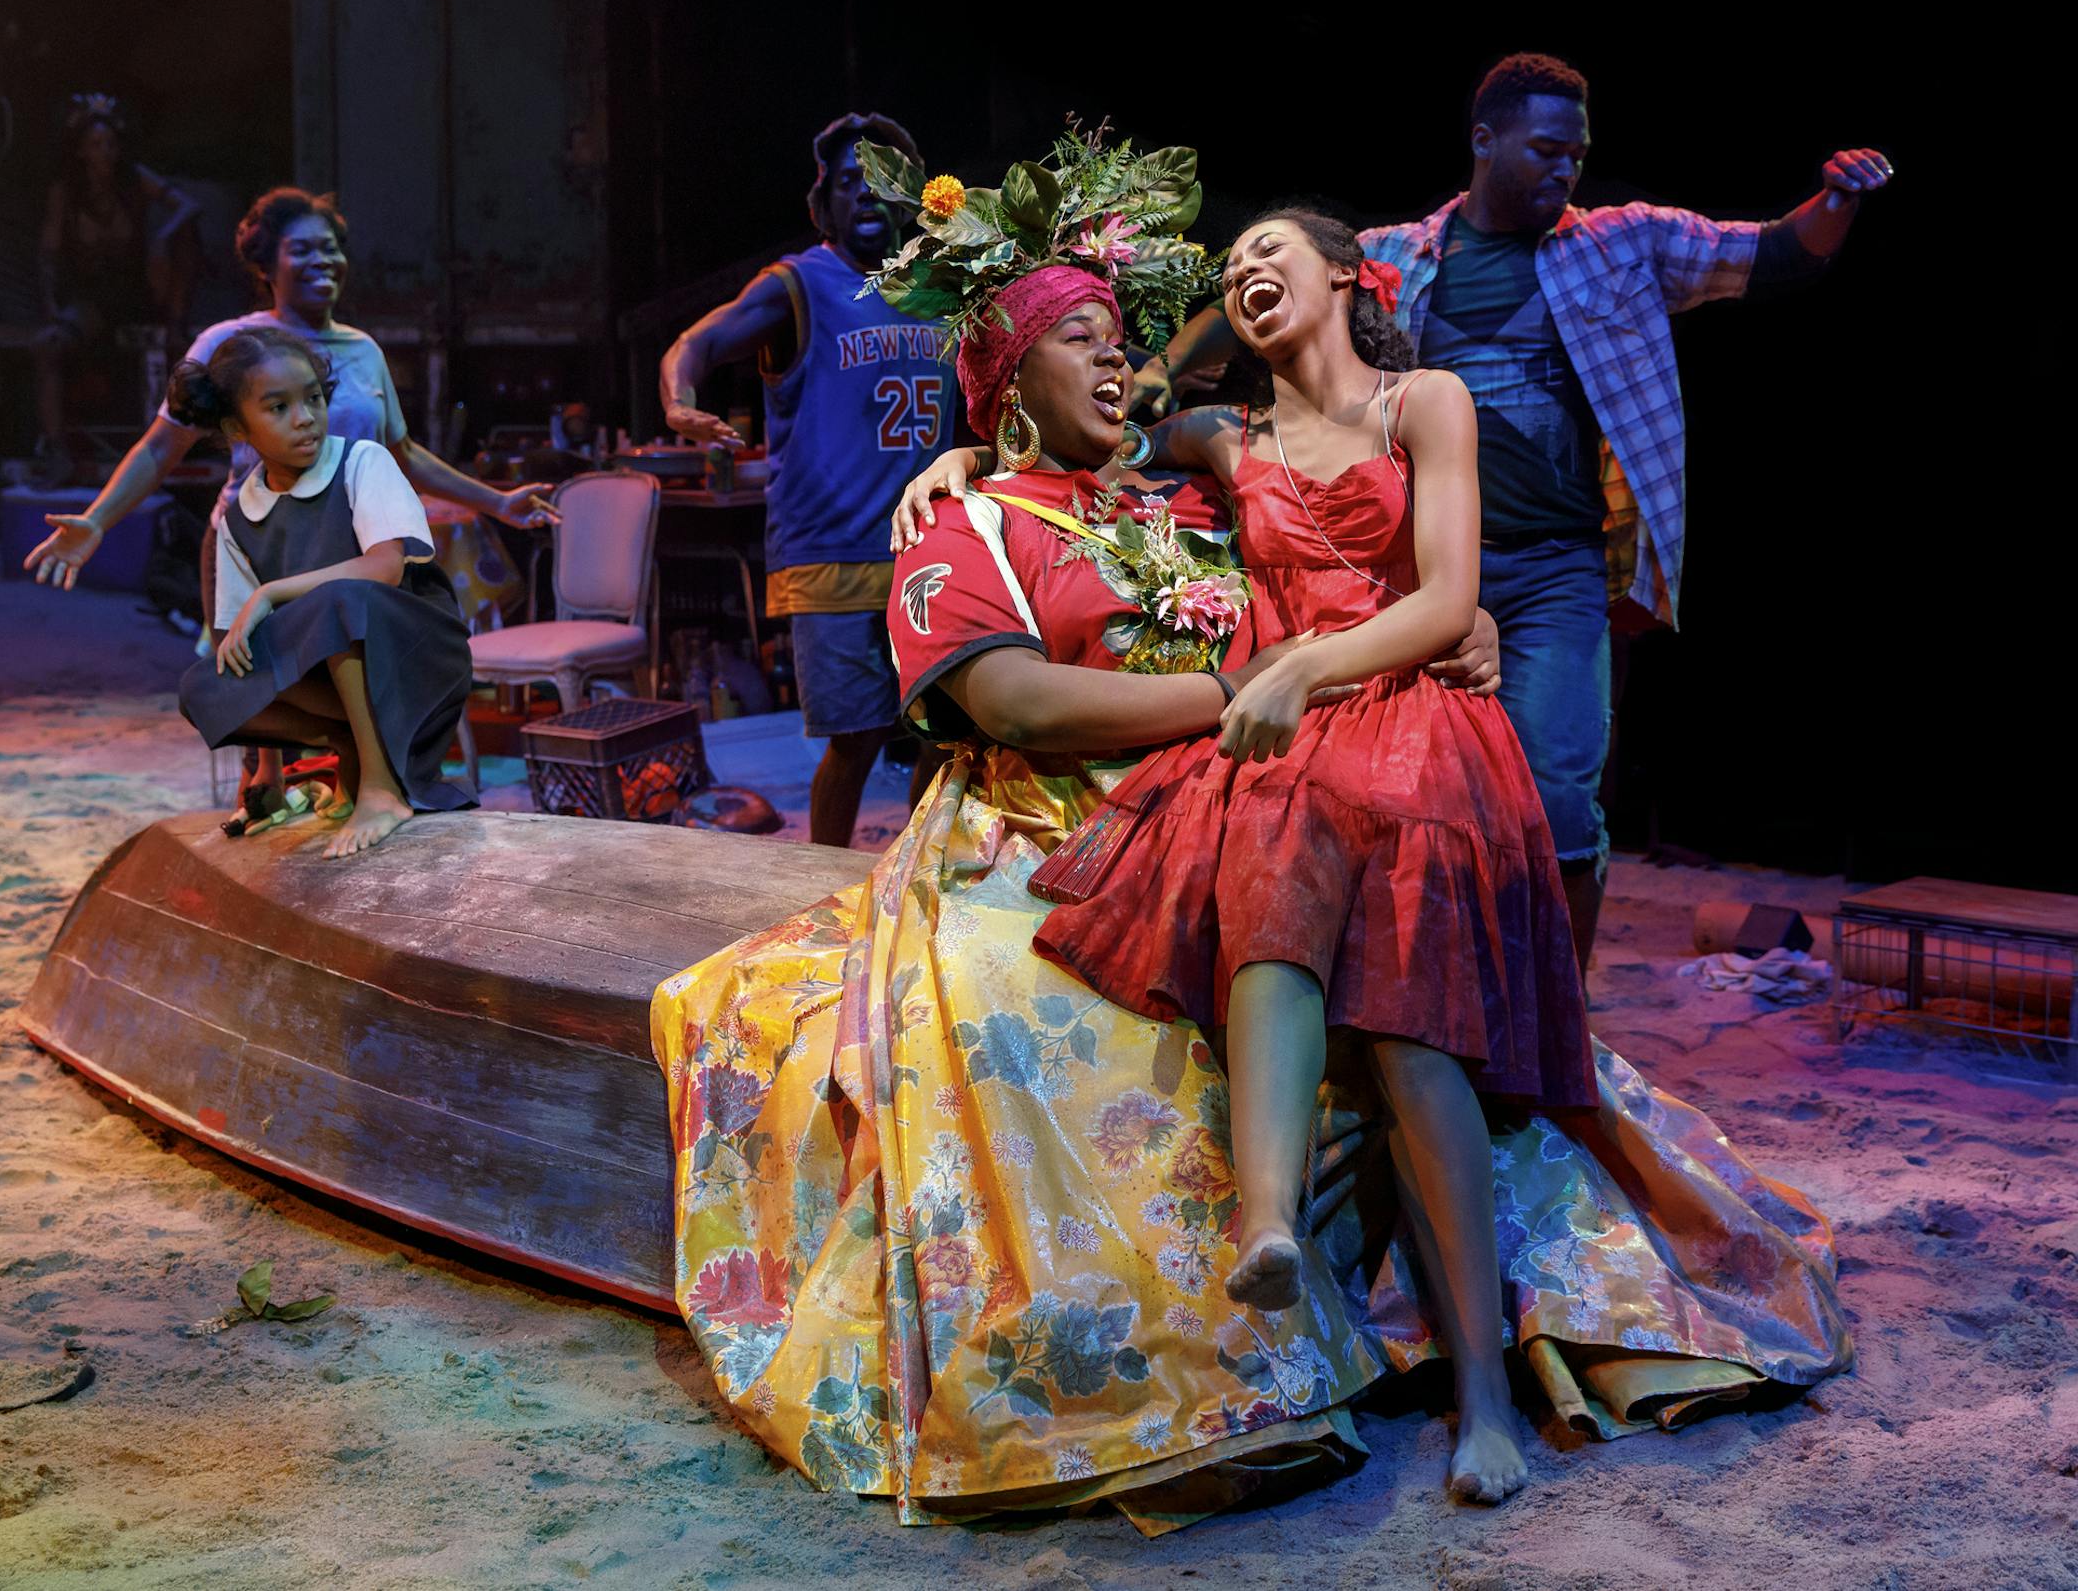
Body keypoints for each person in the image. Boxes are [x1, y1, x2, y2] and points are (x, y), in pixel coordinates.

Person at [661, 137, 1850, 1527]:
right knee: (1063, 1030)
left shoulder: (1178, 500)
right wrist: (979, 462)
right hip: (1076, 819)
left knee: (1426, 1023)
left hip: (1284, 778)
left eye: (1122, 341)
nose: (1120, 362)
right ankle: (1227, 1319)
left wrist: (1451, 623)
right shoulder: (974, 517)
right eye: (1081, 343)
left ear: (1349, 280)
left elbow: (1350, 579)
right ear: (1013, 382)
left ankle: (1472, 1348)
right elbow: (1012, 699)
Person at [1135, 53, 1893, 973]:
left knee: (1556, 798)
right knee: (1407, 789)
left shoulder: (1619, 243)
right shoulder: (1398, 255)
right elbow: (1259, 294)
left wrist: (1834, 203)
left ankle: (1559, 1012)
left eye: (1577, 155)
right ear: (1485, 140)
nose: (1565, 170)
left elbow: (1765, 254)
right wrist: (1163, 368)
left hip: (1553, 569)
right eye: (1545, 150)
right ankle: (1420, 989)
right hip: (1408, 563)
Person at [23, 186, 553, 828]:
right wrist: (98, 520)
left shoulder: (362, 351)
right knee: (244, 669)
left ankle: (373, 777)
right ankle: (269, 787)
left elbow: (405, 453)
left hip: (353, 543)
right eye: (301, 249)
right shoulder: (229, 342)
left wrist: (497, 501)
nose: (321, 260)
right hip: (260, 536)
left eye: (331, 248)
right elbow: (161, 446)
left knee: (349, 643)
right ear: (265, 264)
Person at [658, 113, 955, 847]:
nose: (867, 195)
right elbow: (697, 342)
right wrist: (678, 402)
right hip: (833, 556)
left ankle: (912, 871)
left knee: (944, 734)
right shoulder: (800, 284)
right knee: (855, 739)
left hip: (930, 545)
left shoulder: (942, 288)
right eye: (851, 181)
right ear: (825, 201)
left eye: (882, 181)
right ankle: (821, 875)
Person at [171, 326, 474, 858]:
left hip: (416, 661)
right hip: (336, 681)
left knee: (340, 602)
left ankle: (382, 789)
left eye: (313, 398)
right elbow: (243, 650)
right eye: (279, 407)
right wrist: (268, 771)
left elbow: (384, 568)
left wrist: (271, 592)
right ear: (237, 427)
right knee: (204, 685)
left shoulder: (362, 461)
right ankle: (346, 743)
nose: (305, 417)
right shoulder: (238, 519)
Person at [33, 93, 203, 479]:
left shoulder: (133, 180)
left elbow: (187, 206)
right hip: (93, 299)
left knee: (183, 237)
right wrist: (51, 309)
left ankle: (176, 325)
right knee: (48, 345)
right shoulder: (67, 193)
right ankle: (56, 448)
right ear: (81, 151)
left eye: (110, 144)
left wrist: (161, 236)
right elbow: (48, 254)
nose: (105, 153)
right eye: (95, 145)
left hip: (140, 291)